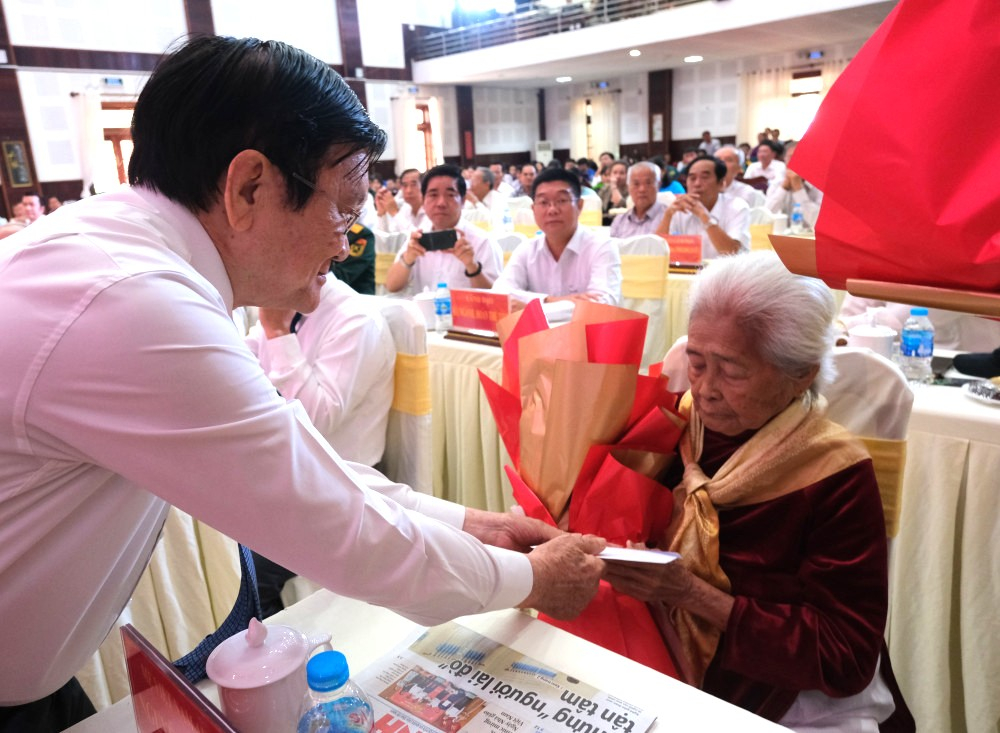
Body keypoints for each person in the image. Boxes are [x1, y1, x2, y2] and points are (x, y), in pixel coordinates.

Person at [0, 36, 606, 730]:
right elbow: (334, 523)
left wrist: (472, 522)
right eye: (343, 210)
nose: (347, 244)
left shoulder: (136, 259)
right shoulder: (131, 302)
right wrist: (533, 579)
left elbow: (299, 458)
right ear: (250, 186)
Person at [606, 251, 914, 731]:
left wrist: (692, 594)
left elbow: (846, 653)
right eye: (697, 362)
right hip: (657, 662)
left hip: (787, 694)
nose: (705, 389)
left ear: (801, 375)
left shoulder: (834, 471)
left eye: (731, 371)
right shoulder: (674, 422)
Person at [245, 272, 395, 615]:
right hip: (284, 475)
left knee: (246, 571)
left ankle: (271, 660)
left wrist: (278, 333)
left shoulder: (356, 321)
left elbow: (316, 420)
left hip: (339, 488)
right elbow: (239, 373)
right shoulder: (282, 300)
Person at [492, 167, 621, 306]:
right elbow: (499, 292)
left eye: (561, 200)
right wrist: (549, 300)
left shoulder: (602, 247)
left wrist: (532, 308)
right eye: (543, 202)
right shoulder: (527, 249)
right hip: (540, 328)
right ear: (533, 209)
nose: (552, 209)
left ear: (579, 206)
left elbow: (602, 304)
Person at [385, 164, 503, 295]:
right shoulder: (418, 238)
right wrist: (408, 258)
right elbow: (391, 285)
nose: (441, 203)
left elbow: (495, 297)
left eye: (450, 195)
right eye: (433, 195)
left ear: (463, 201)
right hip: (425, 313)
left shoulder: (483, 242)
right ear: (424, 200)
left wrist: (472, 266)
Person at [655, 155, 750, 260]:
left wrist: (704, 216)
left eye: (705, 177)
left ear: (721, 183)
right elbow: (656, 252)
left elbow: (734, 254)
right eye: (692, 178)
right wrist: (668, 215)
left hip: (727, 274)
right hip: (686, 274)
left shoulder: (737, 207)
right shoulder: (680, 208)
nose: (697, 184)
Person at [764, 141, 823, 229]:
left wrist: (798, 189)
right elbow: (765, 217)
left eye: (800, 157)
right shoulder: (777, 183)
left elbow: (817, 222)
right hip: (782, 237)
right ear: (784, 160)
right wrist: (783, 188)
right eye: (791, 157)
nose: (795, 161)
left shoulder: (819, 185)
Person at [609, 161, 672, 238]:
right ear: (628, 187)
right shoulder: (619, 220)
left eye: (648, 183)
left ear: (658, 185)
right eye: (636, 184)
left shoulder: (670, 218)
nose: (642, 189)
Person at [375, 168, 424, 232]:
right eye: (405, 185)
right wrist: (382, 214)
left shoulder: (430, 208)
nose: (409, 191)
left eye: (413, 185)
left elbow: (422, 237)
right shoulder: (406, 208)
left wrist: (395, 213)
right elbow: (389, 239)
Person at [598, 160, 629, 224]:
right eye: (615, 173)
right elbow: (598, 205)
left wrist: (614, 188)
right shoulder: (605, 188)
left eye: (622, 173)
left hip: (622, 223)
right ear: (610, 175)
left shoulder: (630, 189)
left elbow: (622, 204)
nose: (618, 176)